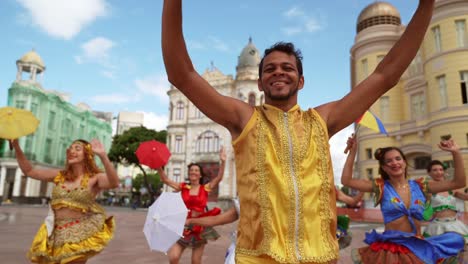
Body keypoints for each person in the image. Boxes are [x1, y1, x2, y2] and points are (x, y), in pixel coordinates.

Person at [161, 0, 435, 262]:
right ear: (259, 83)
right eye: (270, 69)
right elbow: (181, 75)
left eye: (287, 68)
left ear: (301, 80)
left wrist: (425, 6)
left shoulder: (321, 120)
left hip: (318, 256)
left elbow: (384, 76)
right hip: (257, 258)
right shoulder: (244, 118)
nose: (278, 72)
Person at [341, 135, 466, 263]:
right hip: (391, 249)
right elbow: (346, 180)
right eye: (389, 161)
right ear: (384, 167)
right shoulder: (381, 187)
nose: (394, 163)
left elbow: (459, 182)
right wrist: (353, 152)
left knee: (455, 239)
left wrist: (455, 153)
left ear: (404, 162)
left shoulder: (421, 186)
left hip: (416, 247)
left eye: (398, 159)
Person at [11, 138, 119, 263]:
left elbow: (114, 182)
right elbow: (29, 171)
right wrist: (17, 147)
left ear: (87, 155)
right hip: (55, 233)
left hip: (78, 235)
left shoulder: (94, 178)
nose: (72, 151)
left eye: (77, 149)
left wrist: (103, 156)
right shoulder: (60, 175)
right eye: (71, 148)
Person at [156, 147, 226, 264]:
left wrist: (223, 161)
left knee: (195, 261)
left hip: (199, 228)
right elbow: (165, 179)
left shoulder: (205, 188)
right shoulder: (183, 187)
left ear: (200, 175)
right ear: (189, 174)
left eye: (196, 170)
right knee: (173, 258)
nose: (193, 172)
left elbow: (219, 178)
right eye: (191, 170)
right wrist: (158, 165)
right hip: (182, 227)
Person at [424, 160, 468, 243]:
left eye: (441, 169)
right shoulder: (427, 189)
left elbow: (465, 197)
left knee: (458, 251)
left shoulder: (451, 187)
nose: (439, 172)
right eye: (435, 170)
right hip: (437, 227)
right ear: (429, 173)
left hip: (455, 225)